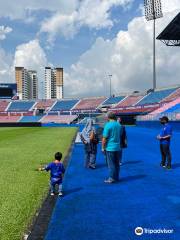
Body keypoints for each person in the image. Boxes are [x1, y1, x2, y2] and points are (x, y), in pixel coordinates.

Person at [102, 112, 121, 183]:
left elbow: (104, 138)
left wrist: (102, 148)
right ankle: (116, 177)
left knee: (111, 164)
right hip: (118, 147)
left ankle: (111, 178)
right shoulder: (118, 125)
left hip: (110, 147)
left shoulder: (108, 125)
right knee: (116, 163)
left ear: (108, 117)